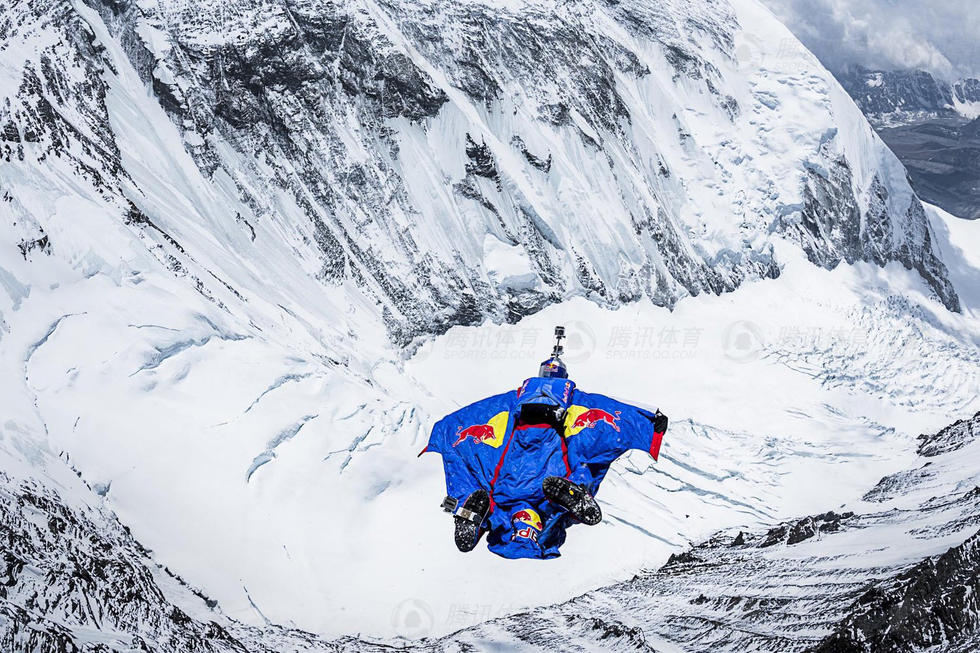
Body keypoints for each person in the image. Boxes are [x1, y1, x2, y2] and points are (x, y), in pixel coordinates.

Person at [421, 327, 668, 559]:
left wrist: (443, 431)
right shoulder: (575, 400)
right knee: (587, 460)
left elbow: (468, 418)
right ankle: (577, 493)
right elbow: (614, 412)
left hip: (506, 483)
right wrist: (648, 422)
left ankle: (468, 509)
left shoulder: (509, 401)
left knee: (472, 474)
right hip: (549, 486)